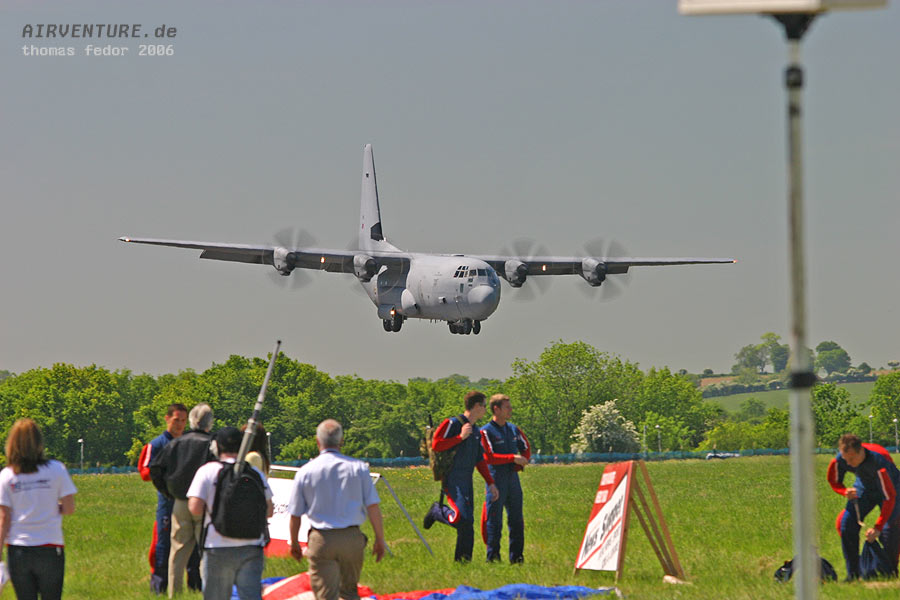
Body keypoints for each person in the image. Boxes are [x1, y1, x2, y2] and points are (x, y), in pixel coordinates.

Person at [287, 420, 386, 600]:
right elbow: (373, 507)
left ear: (317, 441)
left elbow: (295, 514)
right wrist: (380, 539)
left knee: (325, 595)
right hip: (352, 538)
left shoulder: (305, 472)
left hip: (322, 539)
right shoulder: (359, 468)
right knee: (349, 592)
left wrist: (294, 543)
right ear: (341, 441)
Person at [188, 427, 274, 600]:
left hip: (217, 545)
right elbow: (269, 510)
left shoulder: (207, 471)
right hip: (252, 545)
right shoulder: (254, 472)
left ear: (216, 447)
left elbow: (195, 508)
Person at [0, 418, 77, 600]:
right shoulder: (56, 469)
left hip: (19, 550)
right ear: (39, 442)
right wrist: (50, 507)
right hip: (50, 547)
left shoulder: (6, 477)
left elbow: (4, 519)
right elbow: (69, 508)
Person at [424, 391, 499, 562]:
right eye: (484, 406)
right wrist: (460, 437)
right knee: (462, 518)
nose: (485, 410)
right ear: (476, 406)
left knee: (467, 522)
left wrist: (491, 483)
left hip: (467, 479)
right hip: (453, 478)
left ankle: (464, 561)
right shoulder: (453, 423)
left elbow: (479, 459)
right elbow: (436, 445)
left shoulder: (477, 430)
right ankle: (437, 511)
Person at [151, 403, 214, 597]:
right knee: (206, 550)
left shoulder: (176, 443)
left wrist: (167, 491)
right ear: (209, 423)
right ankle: (207, 591)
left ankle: (174, 593)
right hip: (204, 503)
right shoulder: (212, 443)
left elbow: (155, 468)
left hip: (179, 501)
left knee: (177, 552)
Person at [827, 433, 900, 580]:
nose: (848, 463)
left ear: (861, 451)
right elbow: (833, 481)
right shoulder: (841, 459)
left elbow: (889, 497)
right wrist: (844, 491)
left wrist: (878, 527)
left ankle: (890, 572)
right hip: (864, 487)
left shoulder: (879, 463)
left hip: (892, 489)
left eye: (852, 459)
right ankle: (853, 574)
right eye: (846, 459)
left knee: (889, 530)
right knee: (846, 524)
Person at [140, 403, 188, 594]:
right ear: (167, 418)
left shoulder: (188, 442)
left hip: (187, 502)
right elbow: (144, 472)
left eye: (183, 421)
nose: (180, 425)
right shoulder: (156, 444)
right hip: (167, 503)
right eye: (177, 420)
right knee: (162, 544)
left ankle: (193, 587)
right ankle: (159, 588)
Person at [480, 393, 531, 563]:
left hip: (513, 479)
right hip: (496, 479)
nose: (511, 410)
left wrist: (521, 462)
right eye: (507, 407)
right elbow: (489, 457)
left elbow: (526, 448)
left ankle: (517, 558)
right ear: (496, 409)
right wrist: (512, 458)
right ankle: (493, 558)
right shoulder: (486, 431)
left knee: (516, 520)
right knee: (495, 521)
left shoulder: (513, 429)